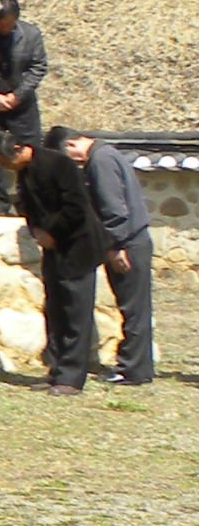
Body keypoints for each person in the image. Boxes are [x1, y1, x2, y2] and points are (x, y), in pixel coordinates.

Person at [7, 129, 104, 393]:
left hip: (78, 247)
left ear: (19, 148)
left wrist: (51, 231)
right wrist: (37, 230)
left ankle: (71, 378)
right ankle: (57, 369)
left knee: (75, 312)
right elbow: (27, 207)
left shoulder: (59, 164)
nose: (5, 166)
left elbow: (76, 207)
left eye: (5, 159)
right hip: (53, 249)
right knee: (56, 310)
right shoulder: (25, 171)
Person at [67, 131, 156, 389]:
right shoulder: (107, 154)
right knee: (136, 308)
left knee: (132, 308)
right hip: (133, 240)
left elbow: (114, 210)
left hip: (127, 244)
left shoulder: (101, 161)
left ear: (71, 143)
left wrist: (115, 245)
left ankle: (132, 368)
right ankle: (139, 367)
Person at [0, 0, 46, 213]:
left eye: (8, 24)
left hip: (22, 104)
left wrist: (18, 95)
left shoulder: (31, 34)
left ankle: (30, 201)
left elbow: (38, 68)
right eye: (0, 24)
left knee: (29, 153)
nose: (4, 28)